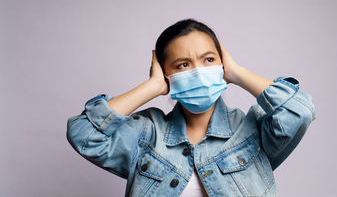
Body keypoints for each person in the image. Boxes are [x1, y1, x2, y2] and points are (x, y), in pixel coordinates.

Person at [66, 18, 316, 197]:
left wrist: (238, 73)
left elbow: (300, 111)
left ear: (222, 64)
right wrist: (152, 87)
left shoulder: (251, 129)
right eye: (183, 65)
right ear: (165, 73)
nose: (198, 71)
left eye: (209, 59)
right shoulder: (146, 135)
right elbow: (83, 133)